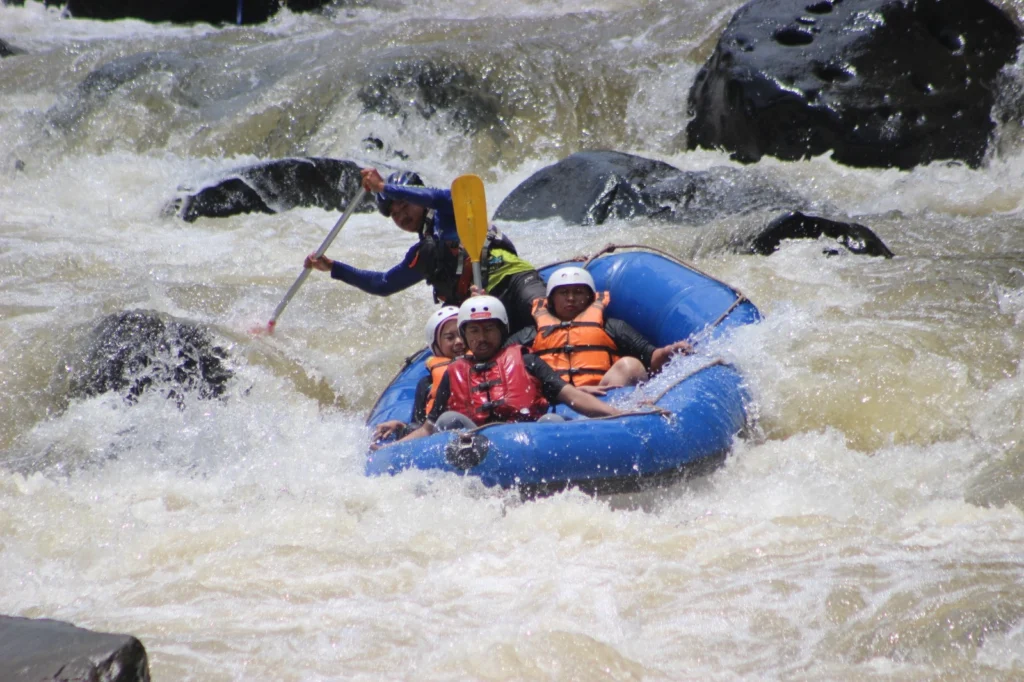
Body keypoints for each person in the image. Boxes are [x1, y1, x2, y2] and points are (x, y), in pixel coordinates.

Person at [304, 167, 547, 334]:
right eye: (394, 214)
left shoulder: (449, 213)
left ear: (418, 198)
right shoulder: (425, 253)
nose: (401, 216)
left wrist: (384, 187)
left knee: (543, 314)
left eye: (404, 205)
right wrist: (334, 267)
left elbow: (441, 196)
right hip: (480, 304)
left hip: (513, 280)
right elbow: (383, 284)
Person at [385, 296, 624, 446]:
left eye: (489, 329)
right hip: (476, 446)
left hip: (527, 440)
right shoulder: (453, 372)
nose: (482, 338)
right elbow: (429, 428)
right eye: (474, 331)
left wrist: (617, 414)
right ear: (465, 336)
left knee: (552, 420)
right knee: (448, 420)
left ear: (502, 331)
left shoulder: (528, 361)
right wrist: (390, 450)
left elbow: (571, 396)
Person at [509, 266, 694, 394]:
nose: (571, 298)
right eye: (564, 293)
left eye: (578, 292)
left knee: (631, 365)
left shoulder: (612, 327)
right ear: (551, 300)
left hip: (604, 397)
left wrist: (669, 351)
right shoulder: (530, 334)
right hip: (554, 401)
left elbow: (651, 357)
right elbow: (498, 364)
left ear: (590, 297)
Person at [371, 306, 464, 444]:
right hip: (444, 440)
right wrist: (401, 427)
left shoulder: (483, 367)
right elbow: (421, 427)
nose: (459, 341)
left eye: (462, 334)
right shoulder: (426, 385)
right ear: (437, 346)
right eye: (450, 338)